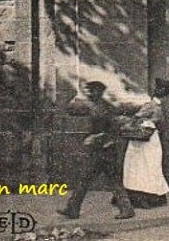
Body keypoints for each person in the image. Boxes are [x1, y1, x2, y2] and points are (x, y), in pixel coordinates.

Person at [58, 81, 135, 220]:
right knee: (85, 179)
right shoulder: (96, 107)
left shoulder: (106, 108)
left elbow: (114, 130)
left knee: (112, 181)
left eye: (92, 91)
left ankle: (127, 209)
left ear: (99, 92)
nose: (90, 93)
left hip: (107, 150)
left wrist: (96, 137)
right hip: (98, 150)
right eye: (89, 91)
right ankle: (73, 209)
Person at [124, 78, 169, 208]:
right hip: (144, 140)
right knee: (144, 166)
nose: (166, 97)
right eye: (166, 94)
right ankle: (142, 197)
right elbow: (136, 117)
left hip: (152, 140)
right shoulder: (150, 105)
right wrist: (145, 124)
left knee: (151, 165)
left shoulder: (157, 106)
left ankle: (152, 195)